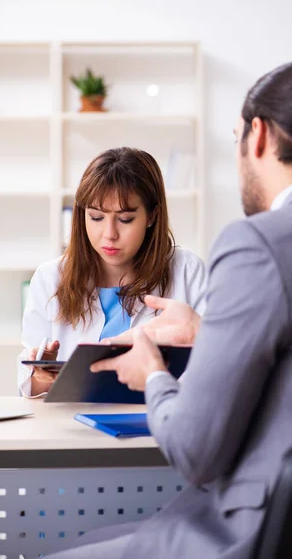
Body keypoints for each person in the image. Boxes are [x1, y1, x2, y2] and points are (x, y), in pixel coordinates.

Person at [47, 60, 292, 558]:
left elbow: (194, 452)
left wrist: (154, 375)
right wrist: (207, 332)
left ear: (258, 135)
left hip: (258, 531)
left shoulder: (257, 243)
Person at [17, 147, 206, 397]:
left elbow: (219, 367)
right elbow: (28, 390)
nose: (109, 234)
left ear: (151, 216)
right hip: (73, 428)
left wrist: (199, 332)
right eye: (96, 217)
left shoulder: (187, 271)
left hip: (160, 423)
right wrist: (40, 376)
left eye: (125, 219)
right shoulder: (50, 278)